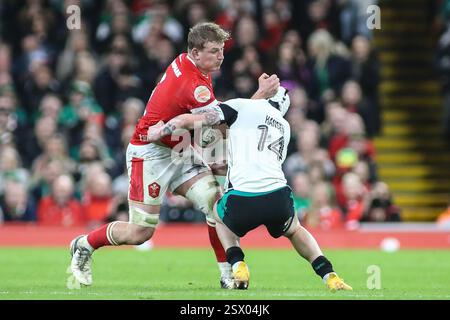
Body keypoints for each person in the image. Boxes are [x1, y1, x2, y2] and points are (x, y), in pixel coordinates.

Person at [69, 22, 279, 288]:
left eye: (222, 50)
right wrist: (260, 96)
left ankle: (228, 274)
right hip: (149, 152)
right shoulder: (194, 84)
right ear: (195, 52)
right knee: (140, 232)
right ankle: (83, 245)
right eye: (214, 50)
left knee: (216, 204)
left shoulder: (187, 63)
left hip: (177, 146)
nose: (221, 56)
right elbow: (224, 122)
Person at [147, 87, 352, 291]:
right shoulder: (284, 125)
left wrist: (162, 130)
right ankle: (328, 274)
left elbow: (193, 120)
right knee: (295, 230)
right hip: (277, 195)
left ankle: (237, 263)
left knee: (216, 214)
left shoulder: (239, 105)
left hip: (242, 197)